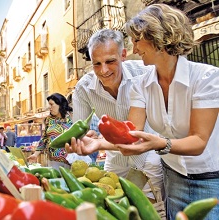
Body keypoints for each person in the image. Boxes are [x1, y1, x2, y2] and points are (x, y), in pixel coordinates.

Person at [108, 4, 219, 219]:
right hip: (173, 178)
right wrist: (97, 142)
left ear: (159, 39)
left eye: (137, 40)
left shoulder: (207, 78)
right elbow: (132, 132)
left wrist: (161, 144)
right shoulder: (142, 84)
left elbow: (198, 141)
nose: (134, 49)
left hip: (212, 181)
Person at [66, 28, 164, 199]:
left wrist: (98, 144)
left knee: (151, 210)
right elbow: (79, 129)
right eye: (96, 63)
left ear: (123, 55)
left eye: (110, 61)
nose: (103, 70)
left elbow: (134, 134)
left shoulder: (144, 73)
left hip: (148, 156)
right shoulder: (83, 88)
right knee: (112, 206)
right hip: (116, 160)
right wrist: (81, 139)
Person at [27, 93, 73, 170]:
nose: (50, 108)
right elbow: (44, 138)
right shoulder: (49, 120)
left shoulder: (72, 117)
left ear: (60, 104)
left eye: (52, 104)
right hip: (53, 161)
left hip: (71, 161)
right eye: (49, 105)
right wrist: (35, 154)